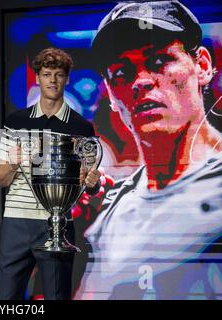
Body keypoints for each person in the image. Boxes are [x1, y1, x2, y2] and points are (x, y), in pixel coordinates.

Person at [76, 1, 222, 299]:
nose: (140, 81)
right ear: (112, 99)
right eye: (121, 72)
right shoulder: (107, 210)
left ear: (202, 66)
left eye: (158, 61)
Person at [0, 47, 101, 300]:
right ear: (38, 78)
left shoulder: (81, 126)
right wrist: (11, 164)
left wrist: (93, 182)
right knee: (7, 299)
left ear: (67, 79)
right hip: (16, 223)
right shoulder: (15, 122)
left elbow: (90, 182)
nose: (53, 80)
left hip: (58, 225)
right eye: (46, 74)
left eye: (59, 74)